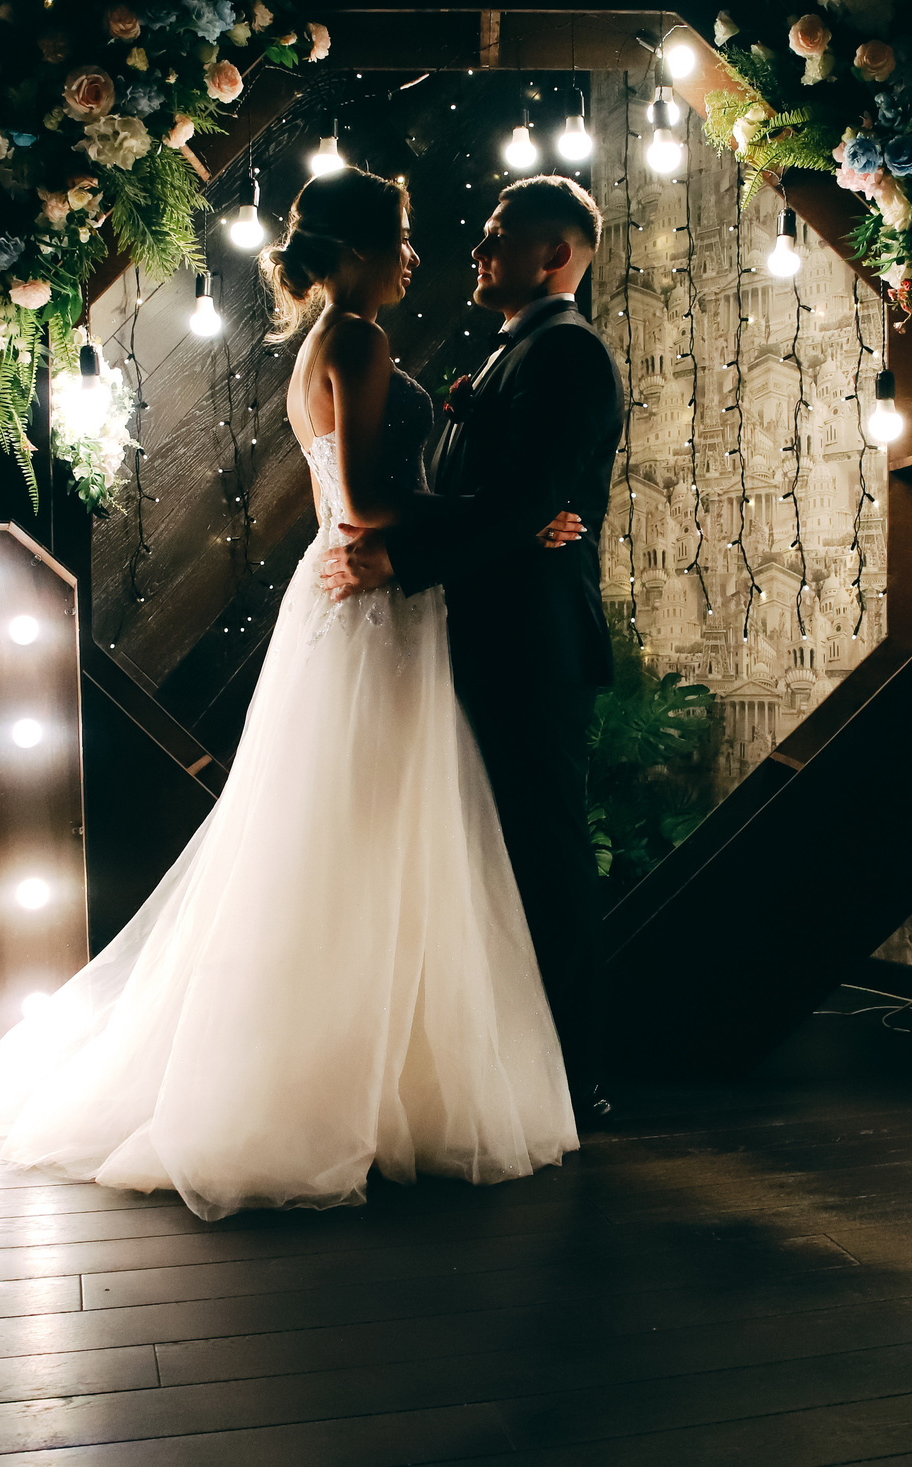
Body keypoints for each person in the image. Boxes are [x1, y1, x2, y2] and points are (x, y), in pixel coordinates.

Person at [0, 167, 581, 1220]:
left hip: (348, 597)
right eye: (403, 237)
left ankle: (353, 1079)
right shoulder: (362, 341)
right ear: (360, 250)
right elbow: (369, 500)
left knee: (334, 834)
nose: (416, 258)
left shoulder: (320, 344)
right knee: (367, 831)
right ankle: (346, 1091)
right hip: (369, 600)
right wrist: (492, 518)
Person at [322, 174, 626, 1120]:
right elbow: (501, 500)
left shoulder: (566, 353)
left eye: (501, 236)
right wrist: (488, 522)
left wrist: (403, 554)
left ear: (557, 255)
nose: (479, 250)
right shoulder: (507, 354)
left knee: (541, 857)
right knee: (491, 859)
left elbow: (529, 496)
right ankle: (501, 1069)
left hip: (533, 650)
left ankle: (572, 1080)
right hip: (483, 637)